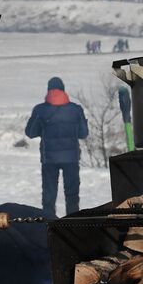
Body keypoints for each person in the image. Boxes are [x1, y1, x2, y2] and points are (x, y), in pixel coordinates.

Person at [25, 76, 89, 217]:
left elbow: (30, 133)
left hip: (49, 159)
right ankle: (73, 225)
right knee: (72, 194)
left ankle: (48, 225)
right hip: (71, 159)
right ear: (63, 90)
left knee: (49, 195)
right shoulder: (75, 110)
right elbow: (83, 133)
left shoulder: (40, 110)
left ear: (48, 90)